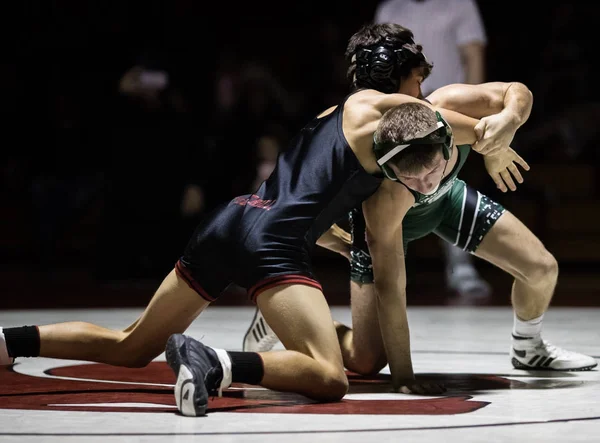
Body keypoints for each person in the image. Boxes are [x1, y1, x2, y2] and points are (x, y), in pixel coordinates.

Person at [0, 23, 513, 417]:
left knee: (133, 345)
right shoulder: (388, 111)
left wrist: (334, 241)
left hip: (233, 220)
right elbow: (475, 128)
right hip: (273, 242)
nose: (423, 91)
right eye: (420, 79)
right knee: (330, 377)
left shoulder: (331, 116)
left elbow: (311, 196)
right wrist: (499, 138)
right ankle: (217, 364)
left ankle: (9, 342)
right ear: (401, 73)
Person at [243, 77, 598, 385]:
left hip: (449, 203)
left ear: (447, 141)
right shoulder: (383, 198)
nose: (425, 185)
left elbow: (515, 92)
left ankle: (528, 347)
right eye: (413, 178)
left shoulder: (449, 112)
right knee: (366, 361)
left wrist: (506, 125)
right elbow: (391, 290)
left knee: (541, 269)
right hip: (389, 227)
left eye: (433, 171)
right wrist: (404, 378)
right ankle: (286, 324)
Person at [374, 0, 492, 302]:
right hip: (401, 110)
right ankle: (393, 271)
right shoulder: (391, 9)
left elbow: (473, 55)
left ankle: (461, 267)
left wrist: (475, 107)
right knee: (397, 186)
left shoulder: (460, 5)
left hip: (447, 108)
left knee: (448, 182)